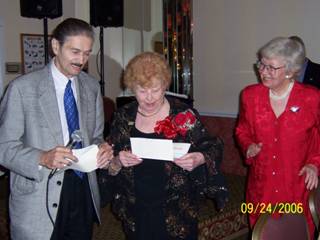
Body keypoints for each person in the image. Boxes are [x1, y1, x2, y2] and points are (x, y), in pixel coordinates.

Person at [0, 18, 113, 240]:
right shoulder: (22, 89)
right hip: (38, 195)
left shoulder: (91, 87)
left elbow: (96, 136)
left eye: (87, 53)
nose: (81, 60)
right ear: (55, 46)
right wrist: (42, 157)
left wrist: (102, 150)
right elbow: (4, 148)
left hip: (82, 191)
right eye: (75, 51)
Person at [100, 52, 228, 240]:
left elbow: (213, 146)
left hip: (177, 209)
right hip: (137, 209)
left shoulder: (182, 114)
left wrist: (198, 158)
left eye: (156, 90)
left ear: (165, 86)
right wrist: (118, 161)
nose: (149, 98)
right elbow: (107, 160)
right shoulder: (123, 116)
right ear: (132, 89)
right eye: (142, 91)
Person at [236, 37, 320, 236]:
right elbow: (242, 130)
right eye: (261, 64)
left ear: (290, 71)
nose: (263, 71)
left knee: (295, 233)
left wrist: (315, 164)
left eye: (271, 67)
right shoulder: (250, 96)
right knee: (263, 234)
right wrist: (248, 146)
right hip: (261, 187)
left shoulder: (312, 98)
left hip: (296, 187)